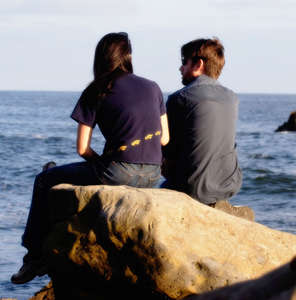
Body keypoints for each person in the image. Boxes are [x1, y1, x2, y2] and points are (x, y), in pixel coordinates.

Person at [11, 32, 169, 284]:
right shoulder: (153, 87)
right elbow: (164, 139)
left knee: (45, 178)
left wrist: (101, 162)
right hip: (152, 174)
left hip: (118, 172)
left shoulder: (98, 89)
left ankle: (33, 257)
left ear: (100, 58)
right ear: (128, 56)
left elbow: (83, 148)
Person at [162, 38, 242, 205]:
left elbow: (168, 152)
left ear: (198, 65)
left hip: (193, 188)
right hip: (229, 185)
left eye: (184, 62)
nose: (180, 67)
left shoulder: (180, 98)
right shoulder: (232, 98)